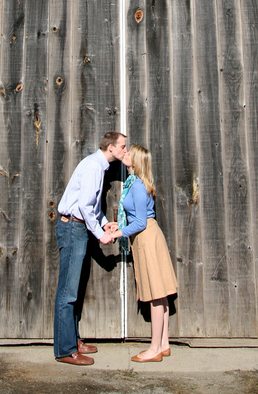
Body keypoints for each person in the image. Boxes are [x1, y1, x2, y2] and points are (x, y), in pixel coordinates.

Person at [53, 131, 127, 365]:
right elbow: (85, 206)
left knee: (74, 289)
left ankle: (73, 341)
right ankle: (65, 350)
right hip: (73, 228)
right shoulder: (95, 166)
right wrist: (100, 235)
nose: (125, 150)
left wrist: (104, 224)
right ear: (111, 148)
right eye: (123, 146)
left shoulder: (97, 165)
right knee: (68, 292)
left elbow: (92, 207)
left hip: (78, 228)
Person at [106, 144, 177, 362]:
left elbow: (139, 222)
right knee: (161, 293)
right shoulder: (137, 182)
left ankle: (154, 349)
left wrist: (118, 233)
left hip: (146, 237)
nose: (125, 154)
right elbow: (137, 218)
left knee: (155, 294)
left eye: (129, 153)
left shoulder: (137, 185)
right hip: (150, 235)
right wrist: (119, 226)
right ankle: (163, 344)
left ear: (136, 161)